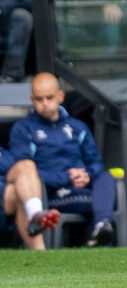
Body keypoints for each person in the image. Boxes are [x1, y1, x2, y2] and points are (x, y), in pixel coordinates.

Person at [9, 73, 116, 246]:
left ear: (60, 96)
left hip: (84, 187)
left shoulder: (77, 127)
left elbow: (96, 162)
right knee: (100, 200)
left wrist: (87, 175)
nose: (44, 104)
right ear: (31, 100)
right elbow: (23, 173)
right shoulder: (23, 130)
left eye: (49, 98)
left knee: (106, 177)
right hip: (52, 193)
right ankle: (99, 227)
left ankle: (101, 225)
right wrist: (67, 177)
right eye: (39, 99)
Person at [1, 151, 60, 249]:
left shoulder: (5, 153)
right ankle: (34, 215)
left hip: (5, 192)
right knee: (21, 193)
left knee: (27, 165)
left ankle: (35, 215)